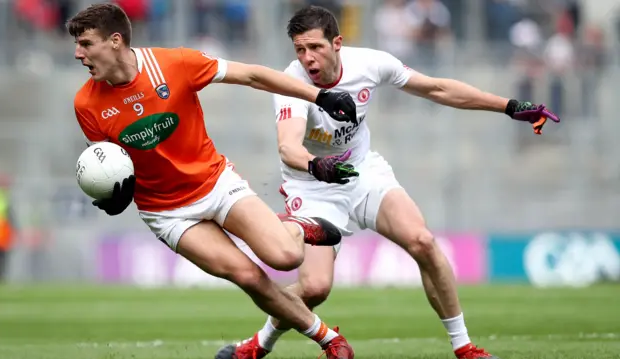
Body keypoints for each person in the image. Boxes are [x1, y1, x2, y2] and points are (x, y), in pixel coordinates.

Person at [216, 5, 560, 359]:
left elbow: (438, 88)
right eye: (300, 50)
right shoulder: (291, 81)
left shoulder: (370, 63)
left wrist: (509, 105)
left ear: (337, 43)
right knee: (316, 288)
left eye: (315, 47)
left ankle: (464, 347)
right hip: (313, 186)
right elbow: (289, 147)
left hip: (362, 171)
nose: (308, 58)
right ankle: (260, 344)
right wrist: (320, 166)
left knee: (423, 241)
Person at [67, 3, 359, 358]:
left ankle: (297, 227)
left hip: (216, 183)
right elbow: (111, 165)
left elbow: (251, 75)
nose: (78, 53)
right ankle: (330, 340)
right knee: (249, 277)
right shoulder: (86, 103)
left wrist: (320, 95)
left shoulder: (173, 64)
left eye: (85, 43)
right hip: (168, 212)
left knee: (286, 257)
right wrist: (114, 197)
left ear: (115, 41)